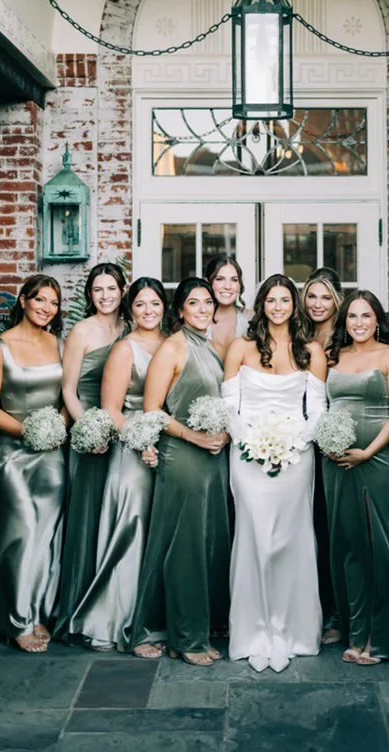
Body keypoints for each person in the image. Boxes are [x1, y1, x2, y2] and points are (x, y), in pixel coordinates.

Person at [223, 273, 327, 673]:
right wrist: (252, 443)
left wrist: (292, 444)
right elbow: (229, 406)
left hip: (296, 457)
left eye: (286, 300)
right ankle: (254, 634)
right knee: (255, 541)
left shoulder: (311, 351)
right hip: (248, 456)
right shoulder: (241, 348)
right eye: (272, 300)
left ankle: (287, 632)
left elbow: (317, 410)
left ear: (294, 306)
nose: (279, 307)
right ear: (261, 304)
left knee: (288, 542)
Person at [130, 278, 231, 666]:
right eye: (194, 303)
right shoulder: (173, 348)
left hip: (213, 458)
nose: (203, 309)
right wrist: (197, 438)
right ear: (181, 309)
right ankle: (184, 638)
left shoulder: (210, 346)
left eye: (208, 302)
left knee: (205, 544)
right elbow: (153, 410)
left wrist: (220, 436)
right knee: (184, 548)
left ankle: (196, 630)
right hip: (184, 457)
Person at [65, 277, 168, 653]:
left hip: (161, 448)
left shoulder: (172, 343)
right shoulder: (125, 349)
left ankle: (147, 618)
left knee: (152, 537)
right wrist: (141, 443)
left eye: (154, 304)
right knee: (130, 533)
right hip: (131, 451)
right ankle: (119, 624)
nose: (148, 311)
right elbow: (111, 408)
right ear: (131, 308)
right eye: (140, 305)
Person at [0, 274, 66, 652]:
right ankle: (15, 620)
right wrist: (26, 432)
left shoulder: (58, 344)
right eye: (40, 300)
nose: (46, 308)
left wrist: (58, 424)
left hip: (52, 454)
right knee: (22, 531)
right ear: (24, 301)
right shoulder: (2, 347)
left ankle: (36, 610)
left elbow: (67, 394)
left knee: (46, 536)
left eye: (53, 302)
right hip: (13, 453)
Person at [324, 289, 389, 664]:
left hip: (379, 460)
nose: (358, 323)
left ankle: (384, 638)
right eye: (352, 317)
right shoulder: (334, 356)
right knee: (349, 549)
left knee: (381, 548)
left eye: (365, 316)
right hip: (337, 463)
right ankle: (356, 633)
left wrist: (368, 452)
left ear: (378, 319)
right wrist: (328, 444)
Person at [56, 263, 129, 642]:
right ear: (90, 295)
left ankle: (111, 605)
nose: (105, 296)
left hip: (122, 431)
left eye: (111, 289)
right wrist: (90, 429)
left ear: (122, 290)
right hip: (88, 432)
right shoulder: (82, 332)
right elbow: (68, 390)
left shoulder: (128, 329)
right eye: (98, 290)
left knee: (114, 517)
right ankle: (78, 610)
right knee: (86, 516)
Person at [301, 267, 343, 642]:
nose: (318, 304)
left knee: (332, 526)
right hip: (300, 440)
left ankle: (336, 613)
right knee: (309, 526)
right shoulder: (299, 337)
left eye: (325, 297)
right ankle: (310, 606)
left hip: (339, 440)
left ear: (337, 300)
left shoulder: (348, 336)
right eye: (312, 296)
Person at [205, 255, 251, 356]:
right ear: (208, 282)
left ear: (239, 285)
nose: (227, 286)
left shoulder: (251, 318)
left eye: (234, 280)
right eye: (220, 279)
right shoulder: (197, 319)